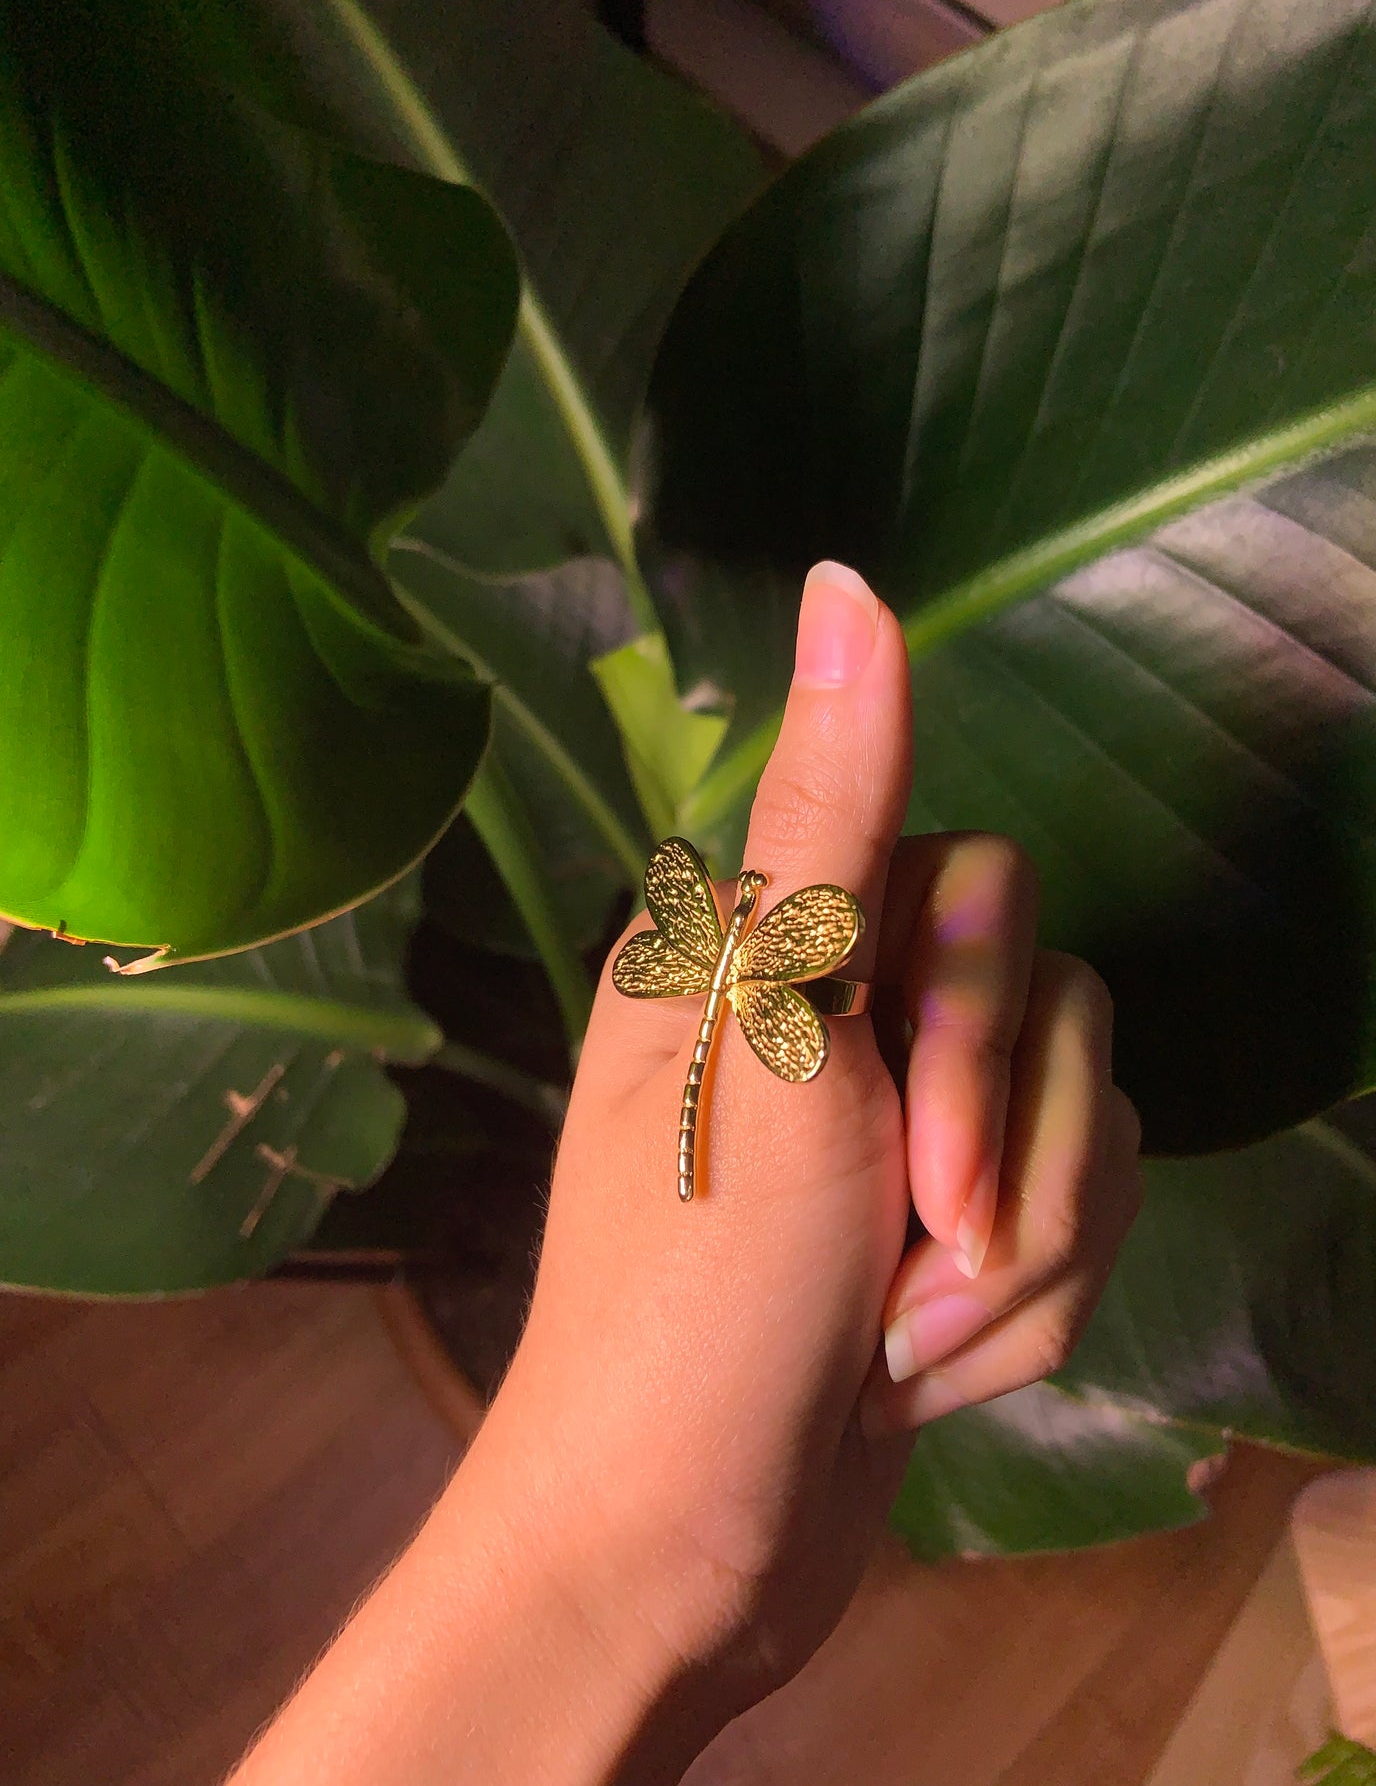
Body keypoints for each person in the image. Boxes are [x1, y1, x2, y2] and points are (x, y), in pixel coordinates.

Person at [231, 562, 1143, 1785]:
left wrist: (635, 1586)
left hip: (730, 995)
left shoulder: (704, 949)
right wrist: (623, 1580)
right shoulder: (752, 959)